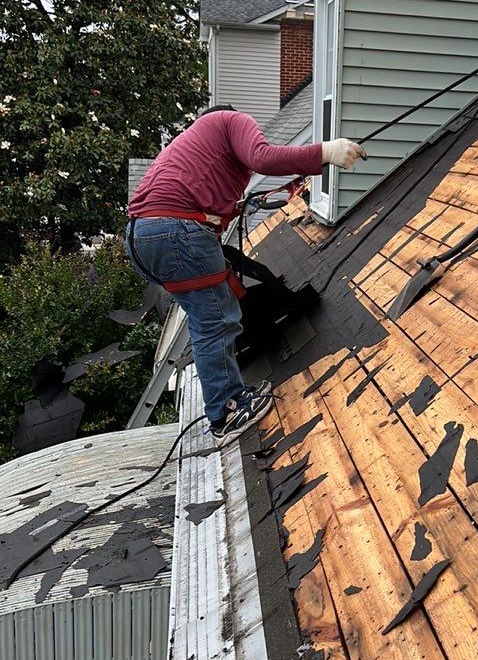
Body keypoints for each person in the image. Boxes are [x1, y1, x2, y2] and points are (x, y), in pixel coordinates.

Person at [126, 105, 364, 447]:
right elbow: (261, 156)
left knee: (205, 318)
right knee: (217, 321)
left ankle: (225, 403)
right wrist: (327, 152)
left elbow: (206, 197)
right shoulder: (231, 119)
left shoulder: (193, 148)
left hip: (141, 238)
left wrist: (247, 202)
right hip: (176, 228)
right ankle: (228, 411)